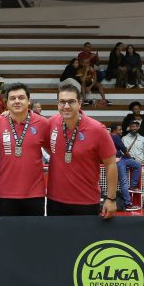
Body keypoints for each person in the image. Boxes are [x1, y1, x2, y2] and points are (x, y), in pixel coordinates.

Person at [44, 81, 118, 218]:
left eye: (71, 102)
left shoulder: (97, 129)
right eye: (62, 102)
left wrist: (111, 198)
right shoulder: (51, 123)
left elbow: (111, 164)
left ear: (80, 103)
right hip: (55, 201)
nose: (66, 106)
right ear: (57, 104)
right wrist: (9, 114)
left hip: (86, 202)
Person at [0, 82, 46, 216]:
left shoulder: (43, 123)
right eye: (12, 98)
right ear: (7, 103)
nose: (17, 101)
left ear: (29, 101)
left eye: (21, 98)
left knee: (34, 229)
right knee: (9, 230)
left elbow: (54, 152)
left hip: (35, 194)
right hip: (5, 194)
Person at [111, 124, 142, 211]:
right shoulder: (115, 137)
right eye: (120, 130)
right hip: (117, 161)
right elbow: (124, 149)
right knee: (124, 181)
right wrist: (130, 158)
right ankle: (128, 203)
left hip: (121, 159)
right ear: (114, 131)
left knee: (137, 165)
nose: (122, 131)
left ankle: (132, 186)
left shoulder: (112, 137)